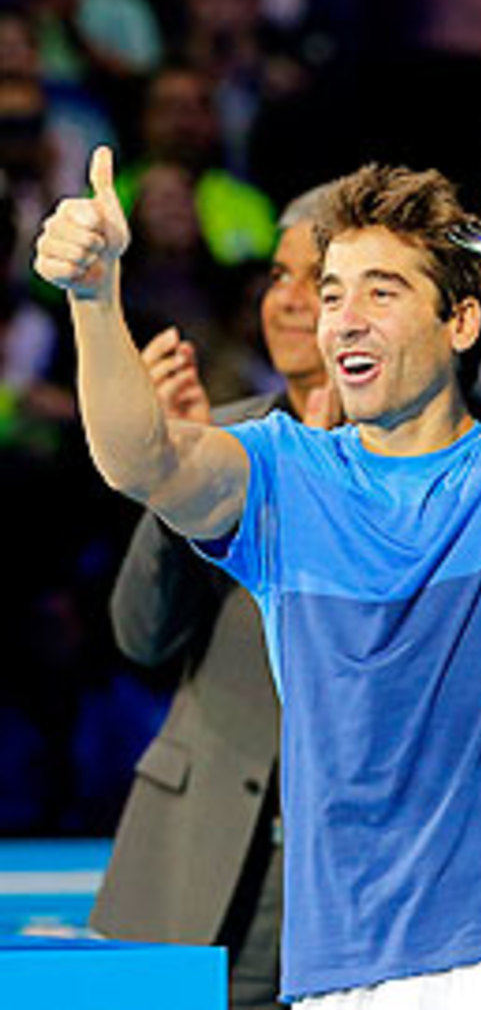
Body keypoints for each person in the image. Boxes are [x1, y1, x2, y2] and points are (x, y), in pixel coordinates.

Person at [33, 146, 481, 1009]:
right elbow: (144, 460)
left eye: (381, 292)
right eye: (331, 294)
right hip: (338, 967)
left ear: (461, 322)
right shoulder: (284, 474)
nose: (343, 320)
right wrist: (95, 298)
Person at [88, 186, 335, 1010]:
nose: (290, 301)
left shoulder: (435, 458)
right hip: (201, 863)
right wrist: (171, 476)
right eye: (278, 274)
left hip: (349, 878)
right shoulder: (215, 443)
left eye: (321, 279)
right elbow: (142, 637)